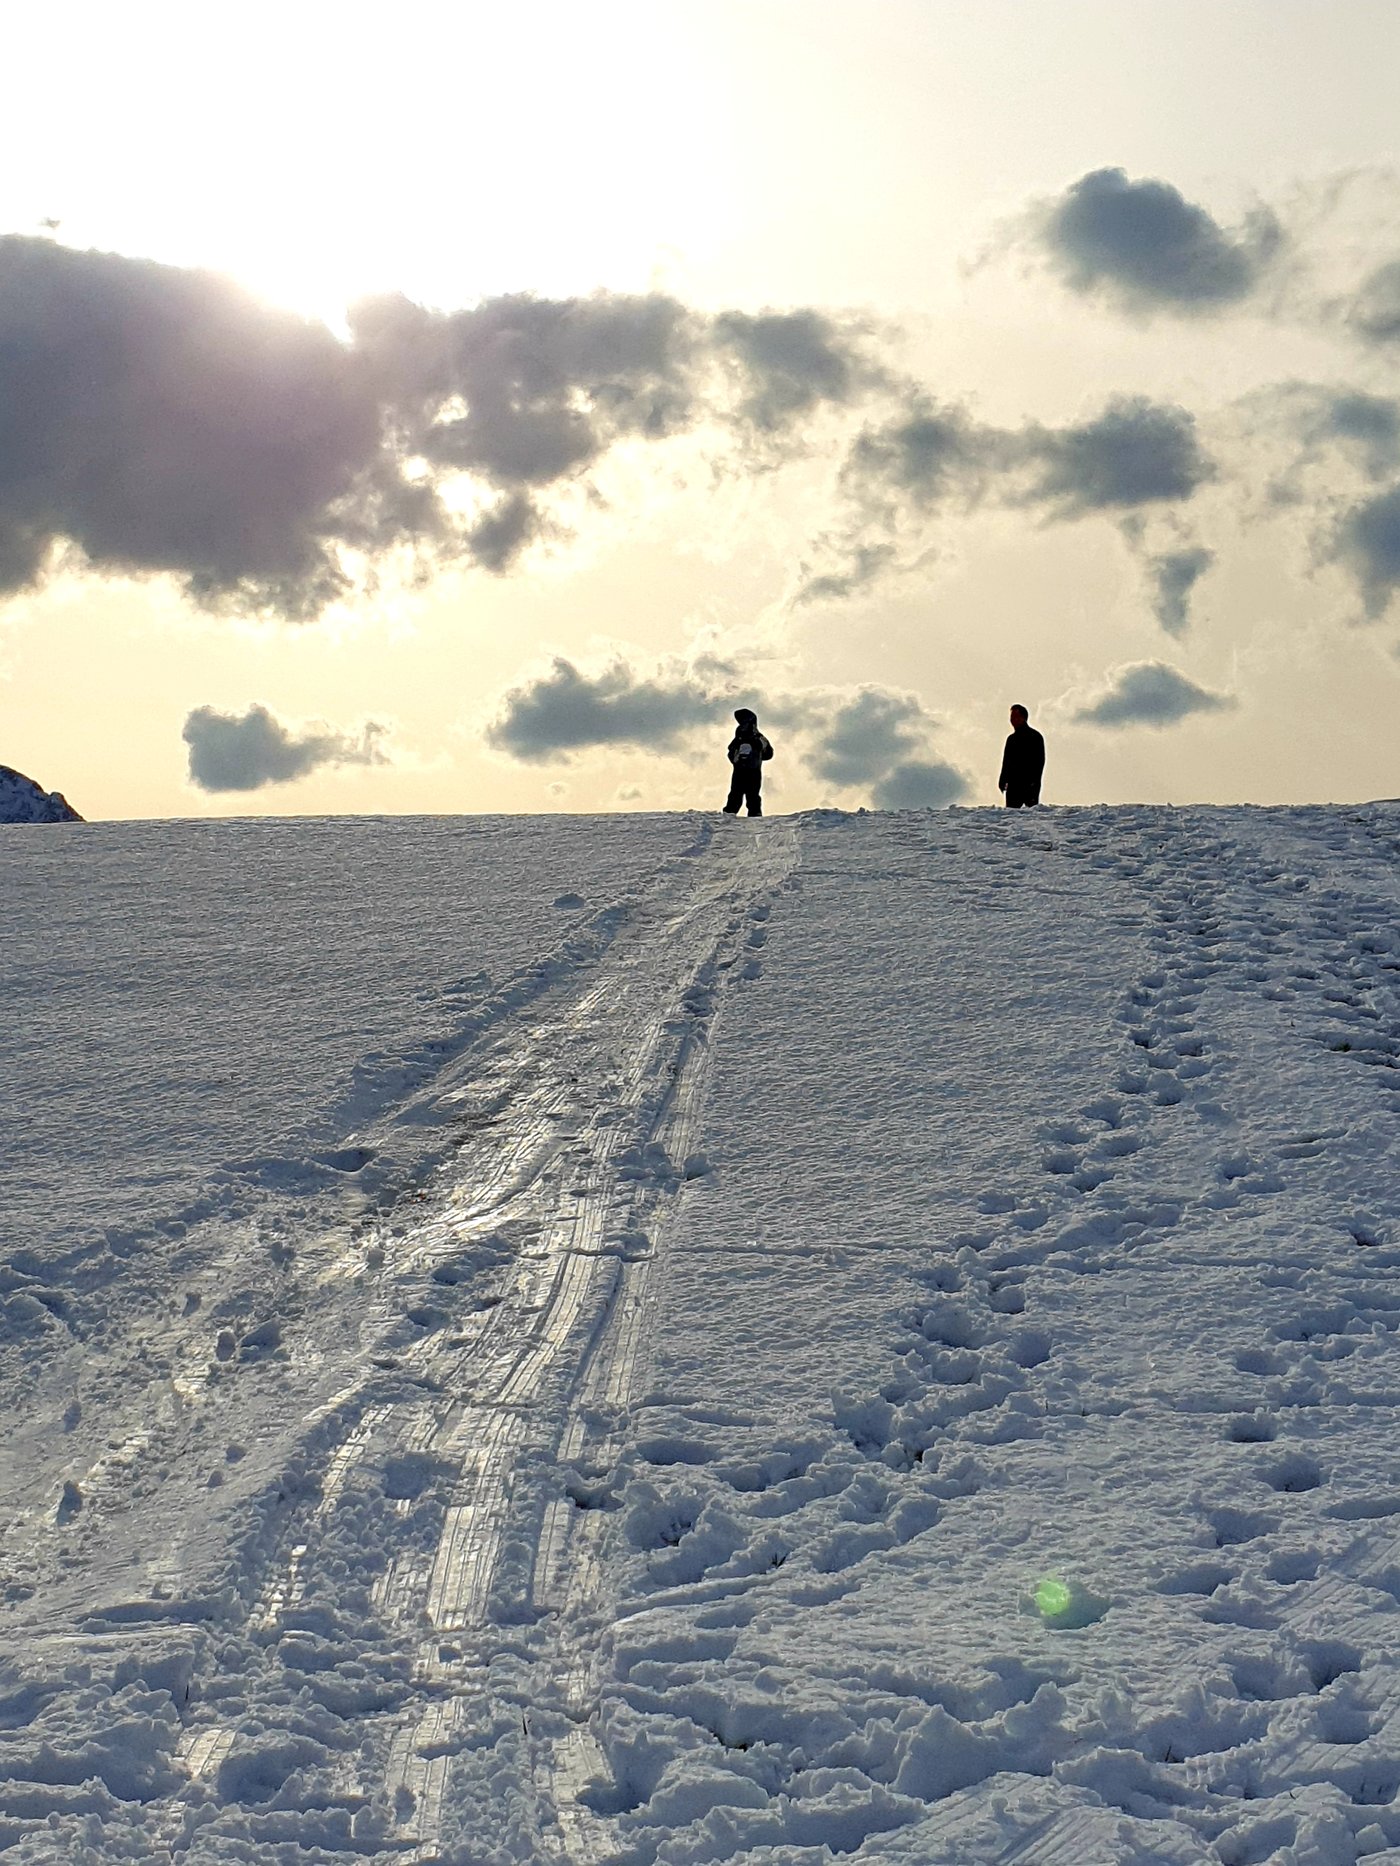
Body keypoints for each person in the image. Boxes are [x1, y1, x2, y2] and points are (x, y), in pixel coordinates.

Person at [723, 708, 772, 816]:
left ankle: (751, 816)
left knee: (747, 795)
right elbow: (768, 754)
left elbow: (768, 753)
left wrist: (754, 755)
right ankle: (731, 816)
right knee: (740, 795)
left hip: (748, 770)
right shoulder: (744, 737)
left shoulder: (753, 737)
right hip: (746, 769)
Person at [998, 704, 1045, 808]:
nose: (1013, 720)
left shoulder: (1035, 737)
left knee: (1030, 819)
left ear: (1023, 718)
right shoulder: (1011, 739)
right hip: (1013, 785)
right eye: (1011, 718)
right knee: (1011, 818)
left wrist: (1034, 781)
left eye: (1015, 717)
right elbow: (1006, 762)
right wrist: (1003, 779)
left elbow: (1039, 762)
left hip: (1030, 785)